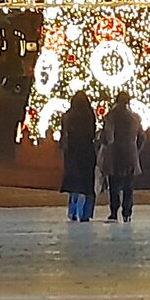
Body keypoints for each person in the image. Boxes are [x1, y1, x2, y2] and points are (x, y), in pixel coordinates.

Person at [101, 90, 143, 222]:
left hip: (115, 155)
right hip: (130, 154)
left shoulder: (110, 116)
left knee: (114, 186)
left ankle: (114, 212)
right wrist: (135, 149)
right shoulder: (135, 118)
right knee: (128, 187)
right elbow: (142, 137)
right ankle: (127, 212)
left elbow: (106, 137)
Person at [59, 93, 99, 222]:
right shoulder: (89, 115)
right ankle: (86, 213)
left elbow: (64, 135)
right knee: (88, 184)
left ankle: (73, 211)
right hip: (87, 151)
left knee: (74, 183)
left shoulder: (68, 116)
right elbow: (93, 133)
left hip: (72, 152)